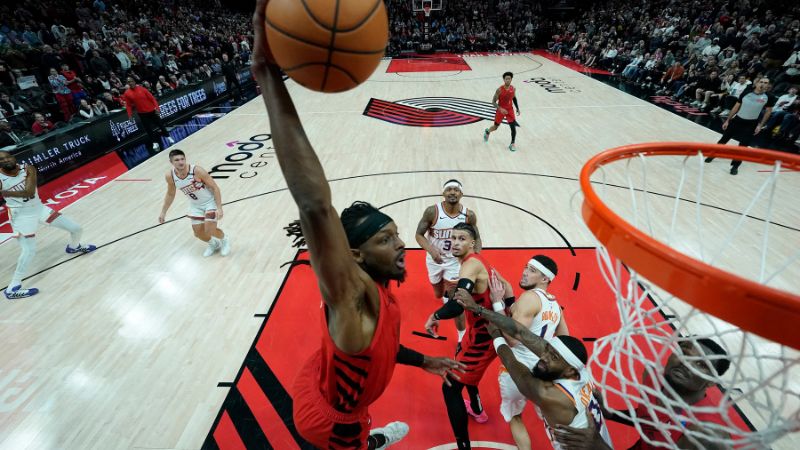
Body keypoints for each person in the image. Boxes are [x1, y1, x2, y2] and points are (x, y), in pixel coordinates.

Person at [250, 1, 465, 448]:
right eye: (386, 239)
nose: (403, 243)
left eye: (396, 233)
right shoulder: (351, 293)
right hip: (335, 423)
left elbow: (383, 348)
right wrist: (268, 78)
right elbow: (315, 206)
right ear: (354, 255)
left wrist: (423, 362)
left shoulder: (378, 283)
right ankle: (375, 442)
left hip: (339, 376)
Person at [454, 286, 613, 450]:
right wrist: (477, 308)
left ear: (570, 371)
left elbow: (514, 367)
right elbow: (520, 332)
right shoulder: (575, 367)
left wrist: (496, 336)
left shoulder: (551, 395)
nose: (544, 358)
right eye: (548, 351)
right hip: (602, 441)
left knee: (515, 415)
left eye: (553, 358)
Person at [555, 339, 731, 450]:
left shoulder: (708, 435)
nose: (686, 363)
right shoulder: (652, 378)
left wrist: (598, 446)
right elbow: (650, 420)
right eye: (683, 353)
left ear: (711, 381)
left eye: (700, 364)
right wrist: (611, 413)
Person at [424, 222, 504, 449]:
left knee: (450, 387)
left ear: (473, 243)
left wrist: (435, 315)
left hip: (483, 339)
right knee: (460, 363)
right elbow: (505, 287)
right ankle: (477, 410)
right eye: (454, 238)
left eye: (462, 239)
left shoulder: (470, 266)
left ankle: (463, 445)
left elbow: (458, 306)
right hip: (476, 332)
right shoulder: (478, 262)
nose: (456, 243)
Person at [493, 255, 570, 450]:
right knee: (552, 423)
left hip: (517, 371)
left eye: (532, 271)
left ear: (545, 279)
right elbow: (564, 340)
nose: (525, 272)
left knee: (516, 417)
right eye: (526, 267)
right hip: (544, 373)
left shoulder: (529, 298)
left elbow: (512, 338)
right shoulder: (555, 305)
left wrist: (496, 304)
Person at [0, 151, 97, 299]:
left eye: (8, 156)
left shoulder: (28, 168)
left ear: (13, 157)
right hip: (20, 216)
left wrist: (5, 193)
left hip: (39, 209)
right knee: (29, 251)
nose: (6, 160)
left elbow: (29, 191)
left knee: (76, 229)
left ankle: (73, 247)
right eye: (2, 159)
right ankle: (12, 288)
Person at [414, 179, 481, 352]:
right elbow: (419, 234)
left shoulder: (468, 215)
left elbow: (477, 238)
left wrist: (475, 257)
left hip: (454, 263)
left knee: (454, 298)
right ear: (443, 193)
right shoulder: (432, 212)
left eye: (456, 190)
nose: (452, 192)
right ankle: (445, 295)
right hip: (434, 260)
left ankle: (461, 336)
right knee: (438, 294)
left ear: (461, 194)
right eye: (449, 189)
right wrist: (431, 250)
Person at [158, 149, 230, 257]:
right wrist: (163, 212)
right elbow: (170, 194)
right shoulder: (170, 176)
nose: (181, 162)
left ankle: (224, 240)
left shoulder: (197, 171)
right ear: (171, 162)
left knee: (209, 229)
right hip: (195, 205)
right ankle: (213, 244)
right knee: (198, 233)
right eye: (177, 160)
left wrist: (219, 208)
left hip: (210, 202)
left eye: (182, 159)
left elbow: (215, 188)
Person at [705, 77, 776, 175]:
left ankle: (735, 166)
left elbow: (768, 112)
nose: (763, 84)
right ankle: (712, 155)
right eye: (761, 82)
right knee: (724, 139)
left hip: (751, 124)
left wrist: (760, 125)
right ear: (757, 83)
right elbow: (736, 106)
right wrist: (728, 120)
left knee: (743, 146)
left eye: (766, 83)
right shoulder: (747, 92)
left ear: (768, 85)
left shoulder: (769, 97)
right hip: (737, 120)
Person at [121, 76, 174, 152]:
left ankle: (168, 137)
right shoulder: (127, 93)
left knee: (160, 125)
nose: (130, 83)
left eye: (131, 81)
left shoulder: (142, 89)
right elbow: (128, 105)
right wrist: (130, 115)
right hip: (142, 114)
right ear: (127, 83)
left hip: (152, 111)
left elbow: (152, 98)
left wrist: (157, 108)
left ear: (134, 81)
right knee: (148, 130)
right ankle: (155, 143)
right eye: (128, 82)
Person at [483, 71, 521, 152]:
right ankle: (487, 131)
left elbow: (514, 98)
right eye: (506, 79)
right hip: (500, 110)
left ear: (511, 79)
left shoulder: (513, 88)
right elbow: (493, 102)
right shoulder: (499, 90)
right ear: (504, 79)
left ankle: (512, 143)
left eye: (509, 79)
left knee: (513, 127)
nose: (508, 80)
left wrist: (517, 108)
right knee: (495, 127)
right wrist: (500, 109)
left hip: (510, 110)